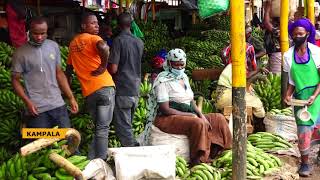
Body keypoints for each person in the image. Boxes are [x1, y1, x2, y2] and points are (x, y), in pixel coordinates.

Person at [152, 48, 232, 166]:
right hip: (167, 117)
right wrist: (190, 115)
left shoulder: (183, 77)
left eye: (182, 64)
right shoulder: (162, 80)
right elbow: (165, 109)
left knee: (218, 118)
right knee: (197, 123)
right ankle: (198, 159)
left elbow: (191, 100)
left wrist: (200, 114)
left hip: (187, 113)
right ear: (169, 63)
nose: (179, 68)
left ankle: (221, 152)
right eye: (176, 65)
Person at [11, 16, 78, 128]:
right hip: (37, 109)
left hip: (58, 105)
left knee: (66, 140)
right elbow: (15, 81)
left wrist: (71, 97)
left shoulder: (53, 46)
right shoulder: (20, 53)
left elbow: (59, 74)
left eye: (43, 33)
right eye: (35, 33)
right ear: (29, 31)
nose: (39, 37)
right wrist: (28, 102)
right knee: (39, 143)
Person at [66, 13, 115, 160]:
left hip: (89, 92)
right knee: (103, 128)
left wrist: (67, 94)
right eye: (92, 23)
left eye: (97, 23)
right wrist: (103, 66)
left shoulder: (73, 44)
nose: (97, 25)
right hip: (105, 87)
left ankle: (92, 159)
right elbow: (103, 46)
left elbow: (68, 71)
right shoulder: (94, 38)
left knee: (99, 128)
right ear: (83, 26)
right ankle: (100, 162)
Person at [283, 18, 320, 177]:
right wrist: (288, 94)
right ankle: (305, 163)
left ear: (307, 34)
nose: (297, 36)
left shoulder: (317, 52)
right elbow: (291, 80)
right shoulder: (288, 55)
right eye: (295, 34)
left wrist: (314, 95)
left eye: (301, 34)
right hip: (301, 99)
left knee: (318, 128)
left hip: (317, 95)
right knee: (303, 131)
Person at [108, 12, 144, 147]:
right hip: (135, 87)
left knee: (124, 126)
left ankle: (131, 151)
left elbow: (114, 69)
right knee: (128, 122)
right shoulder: (139, 42)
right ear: (131, 24)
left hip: (123, 87)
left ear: (118, 25)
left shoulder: (118, 41)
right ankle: (133, 145)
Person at [218, 41, 267, 119]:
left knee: (253, 97)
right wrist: (258, 73)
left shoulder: (236, 66)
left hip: (228, 94)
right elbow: (246, 78)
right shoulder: (234, 66)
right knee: (257, 103)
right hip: (225, 96)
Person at [263, 1, 282, 74]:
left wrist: (267, 9)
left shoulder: (280, 30)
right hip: (274, 56)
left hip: (277, 56)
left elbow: (267, 23)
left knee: (276, 78)